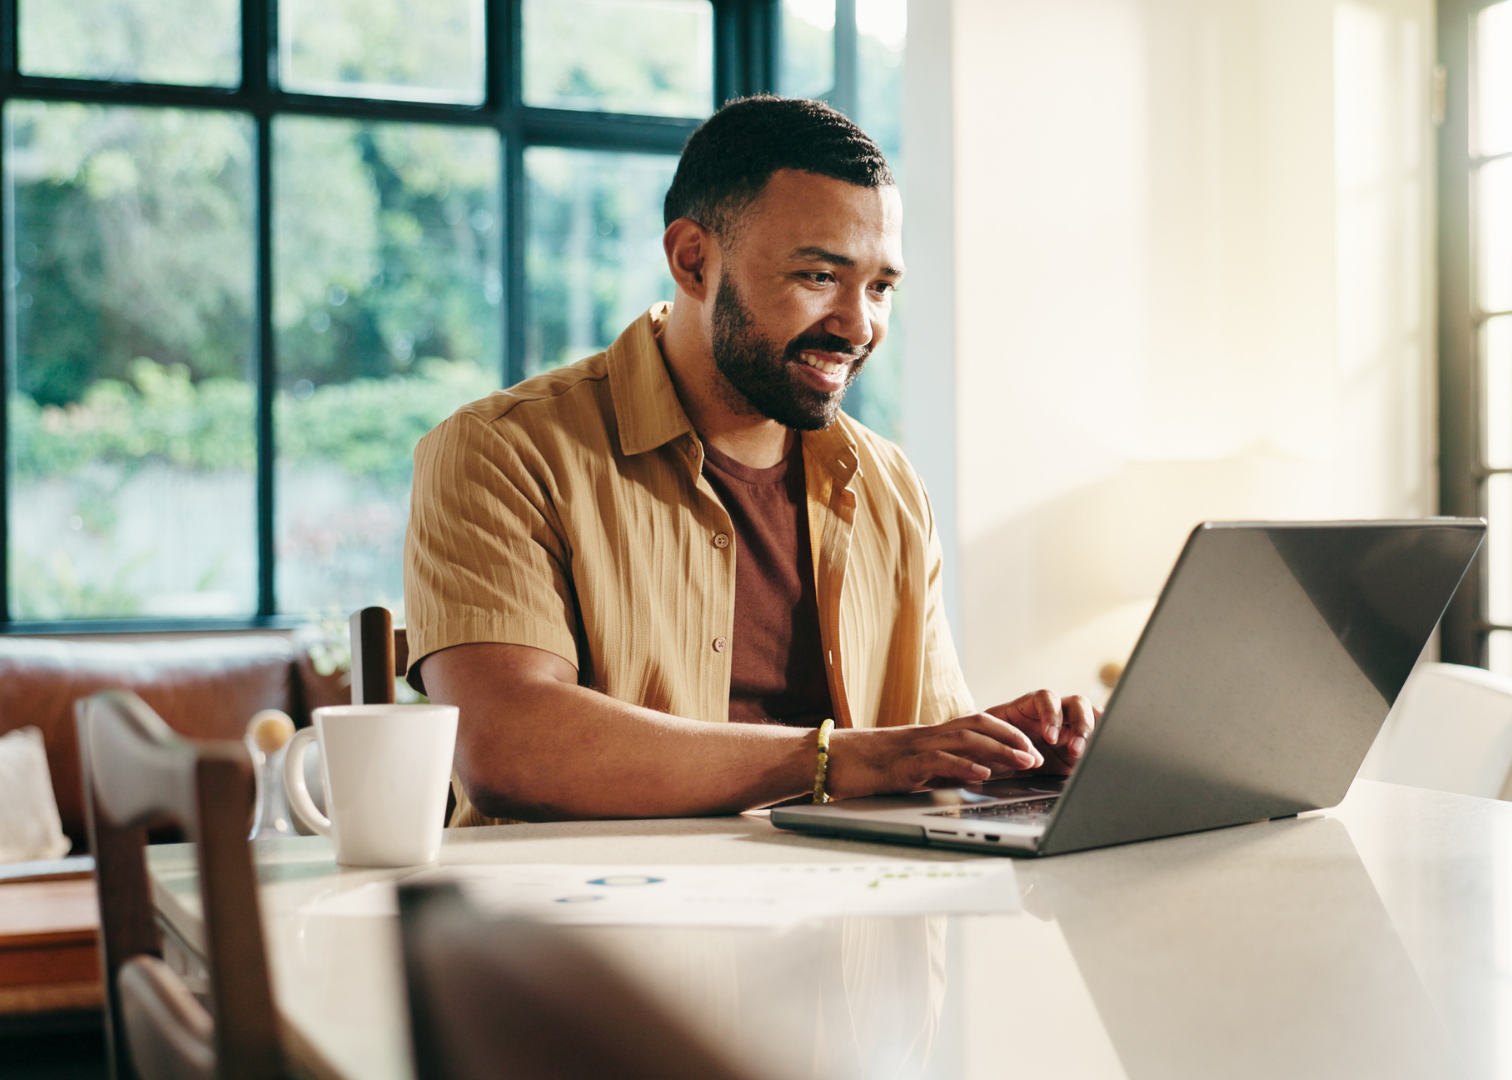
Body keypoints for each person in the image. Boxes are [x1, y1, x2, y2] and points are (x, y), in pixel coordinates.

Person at [404, 96, 1099, 825]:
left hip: (849, 920)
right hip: (586, 926)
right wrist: (840, 760)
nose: (859, 326)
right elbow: (505, 747)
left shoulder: (891, 487)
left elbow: (906, 751)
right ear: (693, 260)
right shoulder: (503, 452)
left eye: (882, 287)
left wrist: (1001, 758)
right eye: (819, 277)